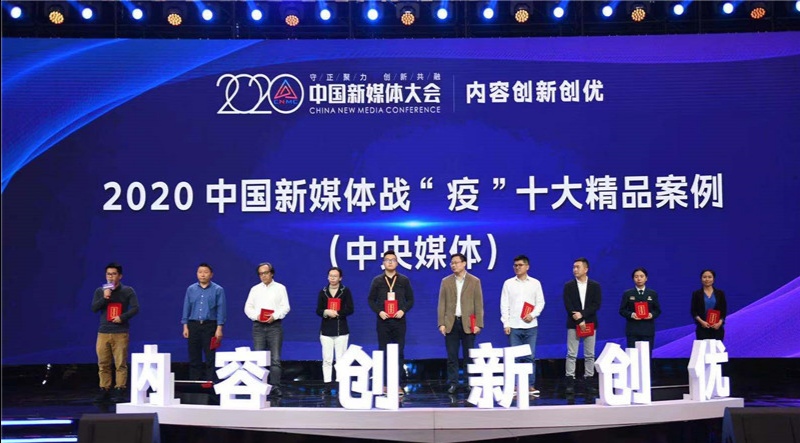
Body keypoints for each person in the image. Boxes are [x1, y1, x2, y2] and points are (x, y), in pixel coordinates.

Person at [91, 262, 140, 403]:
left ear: (120, 276)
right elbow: (94, 308)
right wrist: (105, 297)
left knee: (120, 363)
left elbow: (135, 308)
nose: (110, 277)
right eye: (108, 274)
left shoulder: (127, 290)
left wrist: (122, 317)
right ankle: (104, 389)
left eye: (113, 274)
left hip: (120, 332)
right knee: (103, 363)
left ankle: (120, 389)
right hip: (103, 332)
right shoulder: (100, 291)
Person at [368, 250, 414, 396]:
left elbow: (410, 300)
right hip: (383, 321)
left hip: (399, 321)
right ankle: (384, 383)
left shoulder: (404, 280)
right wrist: (379, 311)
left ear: (397, 263)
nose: (390, 262)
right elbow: (371, 300)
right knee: (383, 352)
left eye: (392, 260)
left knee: (399, 352)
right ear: (383, 263)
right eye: (387, 260)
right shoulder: (377, 281)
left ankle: (398, 384)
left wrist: (403, 310)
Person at [437, 253, 484, 394]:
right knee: (452, 356)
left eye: (456, 262)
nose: (453, 265)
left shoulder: (474, 281)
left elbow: (478, 304)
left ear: (464, 263)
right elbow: (441, 304)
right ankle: (453, 383)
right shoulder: (446, 281)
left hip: (468, 323)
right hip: (451, 323)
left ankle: (470, 382)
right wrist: (441, 323)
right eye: (452, 263)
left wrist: (479, 324)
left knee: (469, 355)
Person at [500, 255, 546, 397]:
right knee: (515, 357)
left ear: (527, 267)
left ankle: (530, 385)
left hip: (531, 325)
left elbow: (540, 302)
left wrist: (532, 315)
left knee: (530, 357)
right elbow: (504, 304)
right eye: (515, 265)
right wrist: (506, 323)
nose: (517, 267)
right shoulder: (508, 283)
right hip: (514, 326)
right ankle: (515, 385)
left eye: (520, 265)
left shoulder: (535, 283)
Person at [244, 262, 290, 397]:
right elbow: (248, 307)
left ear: (272, 273)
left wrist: (275, 316)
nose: (263, 276)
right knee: (258, 357)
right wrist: (256, 316)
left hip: (274, 326)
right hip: (258, 326)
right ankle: (259, 386)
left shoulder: (280, 288)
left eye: (265, 273)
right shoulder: (255, 289)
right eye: (260, 274)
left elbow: (285, 307)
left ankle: (275, 386)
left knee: (275, 358)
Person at [181, 263, 227, 382]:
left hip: (210, 325)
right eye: (200, 272)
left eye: (206, 272)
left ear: (211, 274)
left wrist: (219, 328)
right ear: (197, 274)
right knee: (194, 355)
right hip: (193, 325)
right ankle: (194, 382)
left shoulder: (218, 290)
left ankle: (210, 382)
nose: (202, 275)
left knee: (210, 355)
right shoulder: (191, 289)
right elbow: (186, 307)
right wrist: (185, 326)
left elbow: (221, 310)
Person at [562, 257, 602, 394]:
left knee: (590, 354)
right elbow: (568, 305)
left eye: (577, 267)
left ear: (586, 269)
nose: (575, 270)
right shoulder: (568, 286)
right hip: (573, 323)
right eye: (574, 267)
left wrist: (583, 315)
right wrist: (579, 320)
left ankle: (589, 380)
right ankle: (570, 381)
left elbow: (596, 305)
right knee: (571, 354)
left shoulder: (595, 286)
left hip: (590, 322)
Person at [316, 266, 355, 394]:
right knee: (327, 359)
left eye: (335, 276)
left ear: (340, 278)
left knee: (341, 359)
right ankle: (327, 384)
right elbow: (318, 310)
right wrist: (326, 312)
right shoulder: (323, 291)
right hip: (326, 330)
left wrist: (338, 313)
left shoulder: (345, 291)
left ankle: (340, 383)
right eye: (330, 276)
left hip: (341, 330)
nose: (332, 278)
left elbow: (350, 309)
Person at [619, 267, 661, 352]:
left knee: (646, 356)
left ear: (646, 278)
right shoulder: (627, 293)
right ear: (633, 278)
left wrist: (651, 315)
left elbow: (658, 310)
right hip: (633, 330)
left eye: (641, 276)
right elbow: (622, 310)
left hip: (647, 330)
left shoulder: (652, 294)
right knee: (633, 355)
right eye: (636, 276)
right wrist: (632, 315)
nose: (639, 279)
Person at [691, 269, 727, 341]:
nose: (707, 279)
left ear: (713, 279)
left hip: (717, 328)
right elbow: (693, 311)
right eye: (704, 277)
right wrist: (702, 322)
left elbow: (724, 310)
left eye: (709, 277)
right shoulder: (696, 294)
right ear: (701, 279)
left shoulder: (720, 293)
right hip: (702, 328)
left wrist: (719, 323)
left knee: (716, 348)